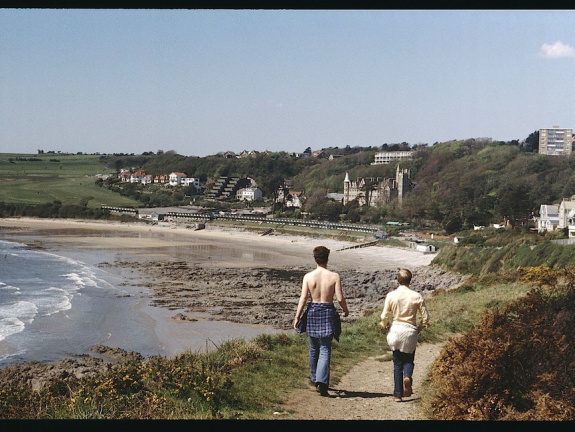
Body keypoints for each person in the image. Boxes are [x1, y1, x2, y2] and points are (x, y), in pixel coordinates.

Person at [293, 245, 349, 397]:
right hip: (327, 311)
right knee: (325, 348)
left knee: (313, 348)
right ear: (327, 258)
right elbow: (339, 298)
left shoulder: (308, 277)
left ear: (315, 259)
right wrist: (345, 310)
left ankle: (314, 378)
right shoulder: (334, 276)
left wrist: (297, 317)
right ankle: (321, 381)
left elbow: (303, 298)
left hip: (313, 311)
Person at [379, 268, 430, 402]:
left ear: (398, 280)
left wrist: (387, 325)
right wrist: (419, 328)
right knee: (408, 360)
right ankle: (407, 376)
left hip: (396, 330)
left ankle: (397, 394)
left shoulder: (391, 295)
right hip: (410, 331)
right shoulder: (416, 296)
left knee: (397, 363)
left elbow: (384, 316)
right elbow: (426, 318)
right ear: (410, 280)